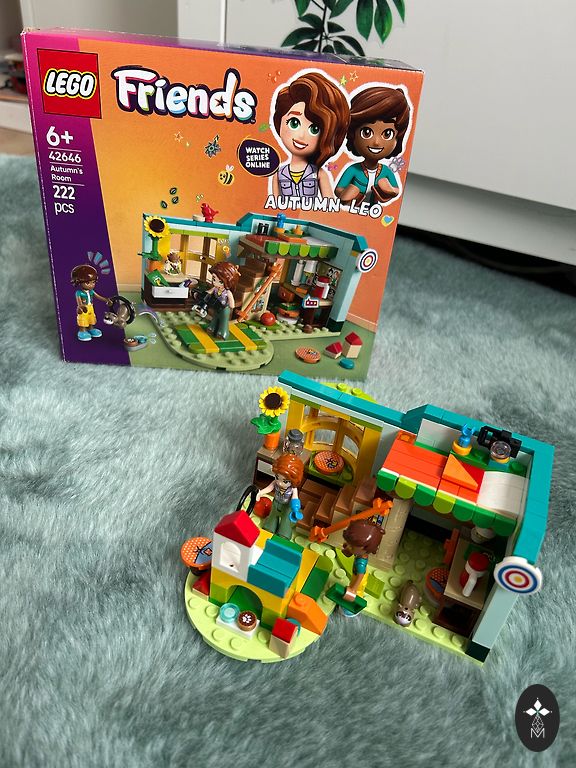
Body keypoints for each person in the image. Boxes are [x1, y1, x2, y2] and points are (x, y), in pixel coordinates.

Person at [271, 72, 349, 200]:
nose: (301, 136)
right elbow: (272, 205)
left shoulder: (319, 174)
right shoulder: (279, 174)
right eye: (294, 123)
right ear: (280, 121)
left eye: (314, 129)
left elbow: (329, 204)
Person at [335, 86, 410, 206]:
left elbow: (396, 190)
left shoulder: (385, 171)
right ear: (353, 133)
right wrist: (348, 192)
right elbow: (338, 189)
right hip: (350, 210)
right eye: (366, 132)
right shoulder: (353, 170)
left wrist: (389, 191)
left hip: (374, 211)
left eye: (387, 134)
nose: (376, 142)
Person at [258, 453, 305, 540]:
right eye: (277, 477)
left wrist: (295, 508)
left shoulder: (293, 488)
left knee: (285, 521)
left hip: (287, 507)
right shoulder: (275, 483)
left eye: (285, 481)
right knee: (273, 516)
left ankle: (284, 533)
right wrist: (260, 493)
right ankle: (270, 527)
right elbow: (269, 488)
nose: (279, 483)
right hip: (276, 503)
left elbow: (295, 498)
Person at [341, 519, 385, 601]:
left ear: (364, 548)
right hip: (358, 574)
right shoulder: (361, 554)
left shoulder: (360, 563)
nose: (348, 547)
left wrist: (353, 590)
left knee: (357, 593)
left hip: (359, 581)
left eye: (352, 547)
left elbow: (360, 576)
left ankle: (351, 605)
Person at [196, 261, 241, 340]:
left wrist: (231, 306)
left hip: (224, 309)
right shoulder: (215, 288)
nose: (215, 283)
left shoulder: (227, 292)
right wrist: (202, 294)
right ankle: (212, 328)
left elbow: (232, 304)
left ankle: (223, 332)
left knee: (223, 321)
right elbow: (209, 292)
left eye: (220, 281)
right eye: (214, 279)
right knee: (215, 317)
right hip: (216, 305)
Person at [71, 264, 111, 341]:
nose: (91, 285)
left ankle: (91, 328)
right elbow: (79, 302)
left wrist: (106, 300)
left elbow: (98, 296)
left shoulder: (91, 291)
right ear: (79, 281)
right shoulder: (79, 293)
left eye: (93, 282)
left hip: (91, 308)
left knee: (91, 318)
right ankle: (82, 331)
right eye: (88, 283)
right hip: (84, 308)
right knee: (83, 319)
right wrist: (81, 307)